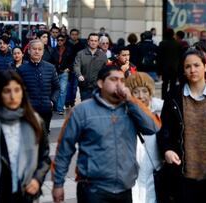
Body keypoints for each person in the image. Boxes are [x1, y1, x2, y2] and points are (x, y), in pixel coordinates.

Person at [52, 66, 160, 203]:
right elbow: (64, 149)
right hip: (92, 189)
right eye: (114, 80)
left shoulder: (130, 108)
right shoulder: (83, 111)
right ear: (101, 83)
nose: (119, 84)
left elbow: (153, 128)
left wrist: (131, 100)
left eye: (122, 80)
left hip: (124, 188)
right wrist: (58, 183)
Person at [0, 70, 51, 203]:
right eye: (7, 91)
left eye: (17, 90)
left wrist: (37, 179)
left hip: (25, 194)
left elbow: (44, 158)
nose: (13, 96)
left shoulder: (35, 122)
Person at [157, 48, 206, 203]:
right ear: (183, 70)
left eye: (196, 65)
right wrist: (167, 149)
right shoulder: (173, 96)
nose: (192, 70)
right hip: (182, 173)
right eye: (187, 67)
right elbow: (164, 129)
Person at [125, 72, 163, 203]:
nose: (141, 96)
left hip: (155, 168)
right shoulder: (125, 112)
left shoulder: (160, 111)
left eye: (144, 91)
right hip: (133, 170)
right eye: (136, 92)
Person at [17, 39, 60, 133]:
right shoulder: (21, 70)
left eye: (40, 49)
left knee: (43, 138)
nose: (37, 51)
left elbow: (57, 87)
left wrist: (52, 101)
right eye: (34, 49)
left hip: (46, 109)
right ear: (29, 50)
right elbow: (17, 90)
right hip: (28, 110)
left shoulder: (50, 68)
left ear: (43, 51)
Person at [74, 33, 107, 100]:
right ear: (88, 42)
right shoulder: (81, 54)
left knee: (97, 106)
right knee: (85, 105)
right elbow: (76, 66)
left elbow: (106, 69)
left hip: (97, 86)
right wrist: (79, 75)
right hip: (84, 85)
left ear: (98, 43)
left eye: (95, 41)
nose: (93, 43)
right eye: (91, 40)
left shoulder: (102, 55)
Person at [51, 34, 73, 115]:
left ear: (64, 41)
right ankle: (55, 106)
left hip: (64, 72)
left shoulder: (69, 50)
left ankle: (60, 108)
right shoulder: (53, 50)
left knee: (63, 91)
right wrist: (53, 69)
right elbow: (51, 61)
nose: (60, 41)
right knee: (55, 89)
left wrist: (68, 69)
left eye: (61, 40)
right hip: (55, 72)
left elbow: (72, 61)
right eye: (58, 40)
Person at [158, 28, 181, 99]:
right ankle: (172, 98)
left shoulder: (162, 44)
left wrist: (159, 71)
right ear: (173, 34)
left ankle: (164, 98)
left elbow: (159, 58)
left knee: (165, 83)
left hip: (165, 67)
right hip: (175, 67)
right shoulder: (177, 44)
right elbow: (180, 57)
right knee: (173, 84)